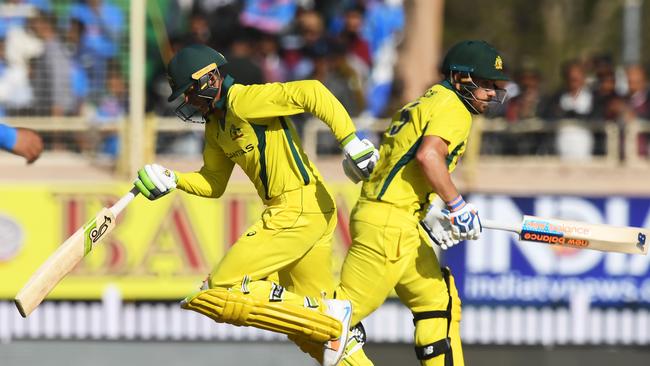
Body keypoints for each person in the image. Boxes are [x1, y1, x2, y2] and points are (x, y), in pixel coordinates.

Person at [132, 44, 379, 366]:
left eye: (189, 92)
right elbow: (213, 183)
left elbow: (313, 92)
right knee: (313, 336)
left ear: (209, 79)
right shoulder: (215, 127)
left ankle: (328, 314)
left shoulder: (244, 100)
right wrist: (173, 178)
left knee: (220, 289)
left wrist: (351, 142)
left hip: (298, 207)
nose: (187, 101)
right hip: (304, 210)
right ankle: (329, 319)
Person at [330, 40, 509, 366]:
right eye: (484, 85)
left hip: (396, 220)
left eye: (494, 87)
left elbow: (404, 168)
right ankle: (258, 305)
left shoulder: (426, 101)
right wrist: (456, 204)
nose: (490, 94)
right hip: (390, 225)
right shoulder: (454, 108)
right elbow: (428, 156)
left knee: (438, 301)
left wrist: (431, 212)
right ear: (460, 78)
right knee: (333, 321)